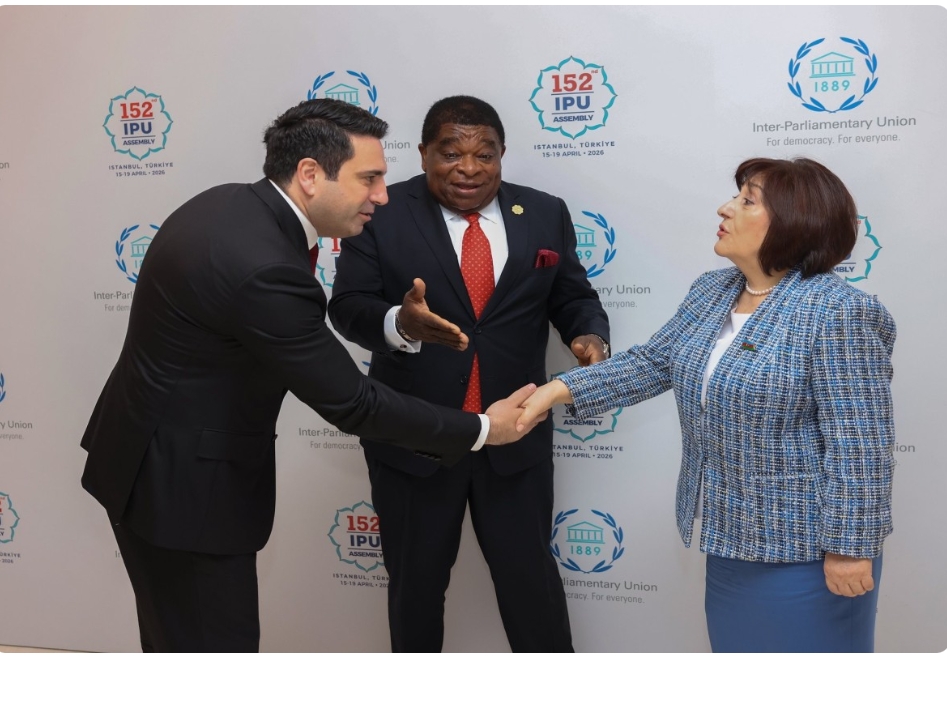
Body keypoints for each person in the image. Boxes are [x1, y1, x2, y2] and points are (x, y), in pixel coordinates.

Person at [80, 99, 544, 653]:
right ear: (309, 174)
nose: (383, 195)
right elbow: (353, 403)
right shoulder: (264, 266)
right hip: (186, 491)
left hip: (143, 460)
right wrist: (485, 429)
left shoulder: (228, 203)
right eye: (368, 178)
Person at [517, 157, 896, 652]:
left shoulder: (839, 310)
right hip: (729, 540)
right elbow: (654, 362)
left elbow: (861, 445)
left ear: (793, 221)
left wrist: (849, 548)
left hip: (809, 553)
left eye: (747, 200)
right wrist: (555, 390)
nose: (726, 207)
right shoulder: (713, 291)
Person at [327, 95, 609, 652]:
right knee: (415, 590)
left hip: (516, 437)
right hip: (417, 440)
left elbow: (572, 295)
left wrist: (589, 335)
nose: (469, 169)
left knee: (532, 588)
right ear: (423, 153)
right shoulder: (381, 212)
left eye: (485, 154)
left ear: (502, 154)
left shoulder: (544, 212)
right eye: (451, 153)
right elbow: (349, 306)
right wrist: (399, 322)